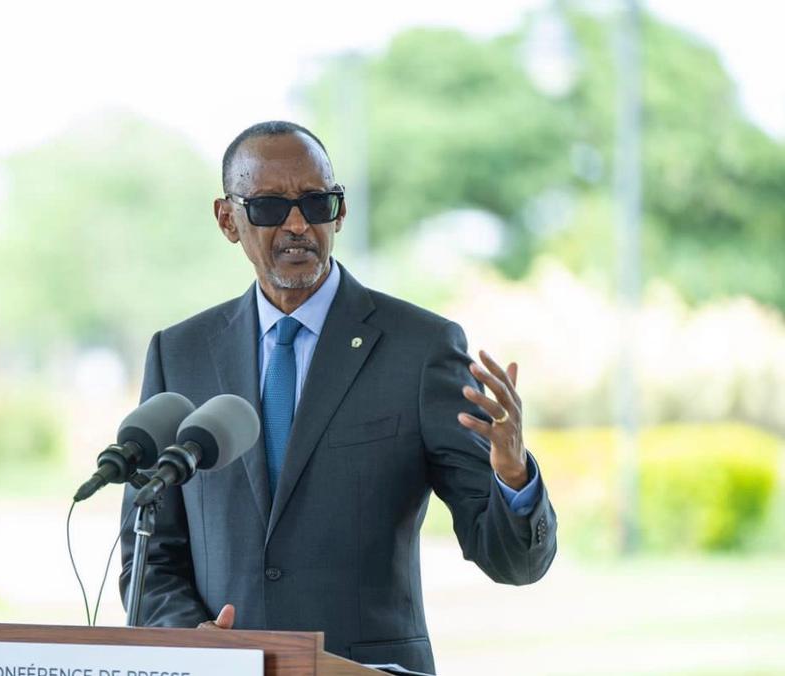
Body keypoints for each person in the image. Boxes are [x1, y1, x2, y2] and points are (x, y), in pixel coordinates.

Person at [119, 121, 557, 674]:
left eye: (316, 202)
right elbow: (149, 559)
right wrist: (195, 643)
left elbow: (514, 563)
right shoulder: (179, 354)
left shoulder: (420, 349)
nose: (297, 224)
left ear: (340, 211)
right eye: (269, 207)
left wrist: (513, 477)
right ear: (228, 220)